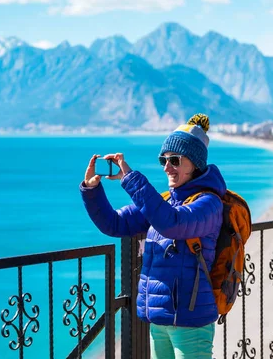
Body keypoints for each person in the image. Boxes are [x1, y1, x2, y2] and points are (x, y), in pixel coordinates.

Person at [80, 114, 225, 359]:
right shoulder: (165, 202)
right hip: (160, 319)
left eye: (175, 160)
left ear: (196, 163)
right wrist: (91, 190)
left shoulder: (209, 204)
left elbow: (172, 224)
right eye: (164, 160)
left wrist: (129, 178)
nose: (167, 167)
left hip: (191, 322)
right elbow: (114, 223)